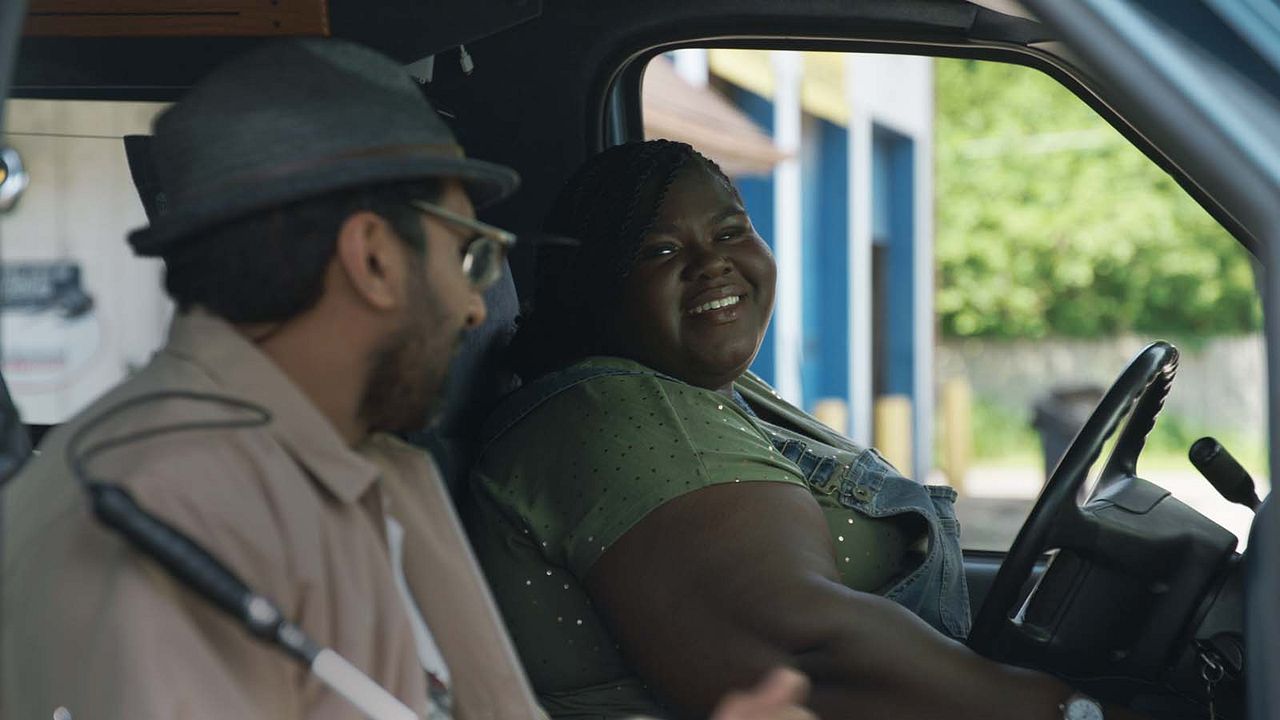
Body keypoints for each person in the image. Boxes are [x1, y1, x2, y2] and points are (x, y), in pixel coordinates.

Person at [0, 42, 812, 720]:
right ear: (376, 260)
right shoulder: (157, 517)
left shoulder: (386, 472)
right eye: (469, 259)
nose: (475, 308)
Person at [466, 140, 1140, 720]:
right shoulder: (622, 414)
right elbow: (805, 656)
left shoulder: (708, 390)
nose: (713, 263)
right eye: (660, 249)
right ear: (596, 289)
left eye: (730, 232)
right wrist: (1068, 710)